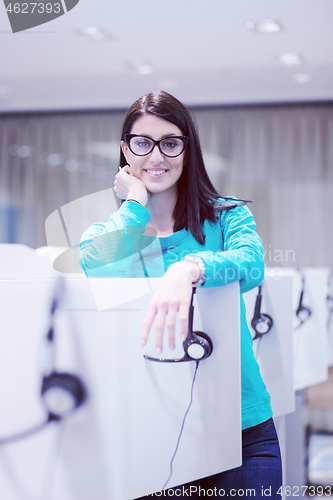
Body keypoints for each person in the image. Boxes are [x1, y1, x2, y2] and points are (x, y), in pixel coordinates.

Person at [79, 90, 282, 499]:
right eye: (142, 143)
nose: (156, 156)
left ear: (187, 150)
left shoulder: (226, 215)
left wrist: (190, 267)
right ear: (125, 151)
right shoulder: (112, 234)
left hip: (241, 425)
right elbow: (95, 263)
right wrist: (134, 204)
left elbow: (251, 263)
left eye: (170, 143)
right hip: (151, 427)